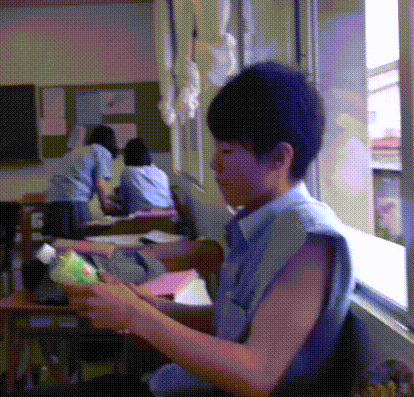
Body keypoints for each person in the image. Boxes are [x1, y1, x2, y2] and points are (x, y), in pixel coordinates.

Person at [19, 62, 358, 396]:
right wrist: (150, 306)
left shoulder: (308, 240)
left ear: (278, 158)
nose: (214, 163)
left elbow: (257, 375)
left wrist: (137, 317)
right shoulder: (263, 225)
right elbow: (228, 324)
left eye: (227, 150)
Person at [43, 125, 120, 237]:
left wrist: (108, 200)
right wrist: (106, 208)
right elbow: (100, 184)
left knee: (57, 242)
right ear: (111, 141)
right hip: (74, 202)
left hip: (52, 202)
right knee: (81, 241)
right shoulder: (102, 151)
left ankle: (48, 250)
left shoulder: (75, 152)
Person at [114, 138, 175, 214]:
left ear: (128, 156)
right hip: (167, 217)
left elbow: (123, 201)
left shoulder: (127, 172)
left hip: (141, 218)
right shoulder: (162, 173)